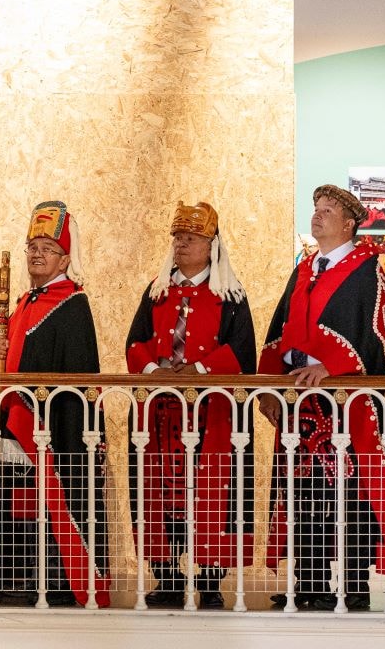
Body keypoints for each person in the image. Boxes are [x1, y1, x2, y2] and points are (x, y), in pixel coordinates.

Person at [260, 184, 385, 611]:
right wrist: (272, 384)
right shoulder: (303, 269)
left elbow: (377, 337)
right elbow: (280, 331)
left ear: (349, 223)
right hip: (301, 405)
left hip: (348, 409)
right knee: (304, 496)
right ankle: (308, 584)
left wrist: (331, 367)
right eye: (316, 208)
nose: (317, 215)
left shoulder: (366, 271)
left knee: (350, 498)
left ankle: (352, 587)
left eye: (328, 210)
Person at [124, 201, 256, 609]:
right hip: (161, 415)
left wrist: (198, 370)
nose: (182, 245)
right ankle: (166, 577)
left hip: (212, 414)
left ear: (211, 244)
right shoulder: (157, 290)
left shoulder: (230, 295)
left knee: (214, 494)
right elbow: (135, 342)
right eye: (178, 238)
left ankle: (211, 579)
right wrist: (153, 371)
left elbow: (241, 352)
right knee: (157, 494)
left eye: (191, 238)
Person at [0, 201, 109, 608]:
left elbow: (74, 374)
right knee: (17, 505)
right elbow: (6, 365)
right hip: (13, 426)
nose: (37, 253)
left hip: (51, 429)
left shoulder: (73, 304)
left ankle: (58, 579)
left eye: (47, 247)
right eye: (31, 246)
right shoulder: (22, 302)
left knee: (52, 505)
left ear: (65, 259)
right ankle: (16, 576)